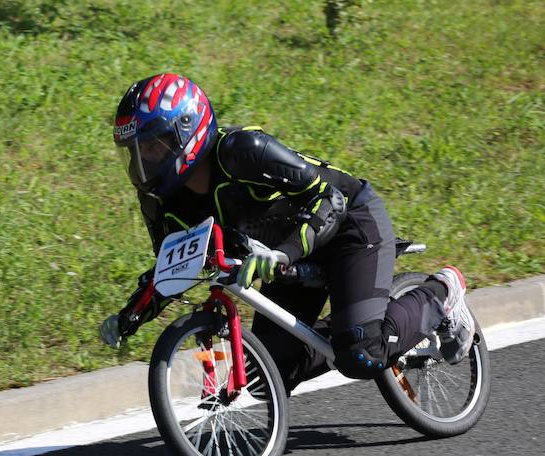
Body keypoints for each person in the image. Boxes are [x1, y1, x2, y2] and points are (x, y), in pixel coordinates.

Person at [99, 73, 475, 392]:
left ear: (186, 130)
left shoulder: (242, 151)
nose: (142, 162)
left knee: (363, 355)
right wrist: (128, 317)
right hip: (285, 256)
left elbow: (330, 200)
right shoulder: (159, 201)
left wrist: (284, 253)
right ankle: (350, 335)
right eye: (135, 151)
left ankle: (442, 291)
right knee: (266, 378)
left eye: (152, 147)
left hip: (350, 227)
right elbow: (170, 268)